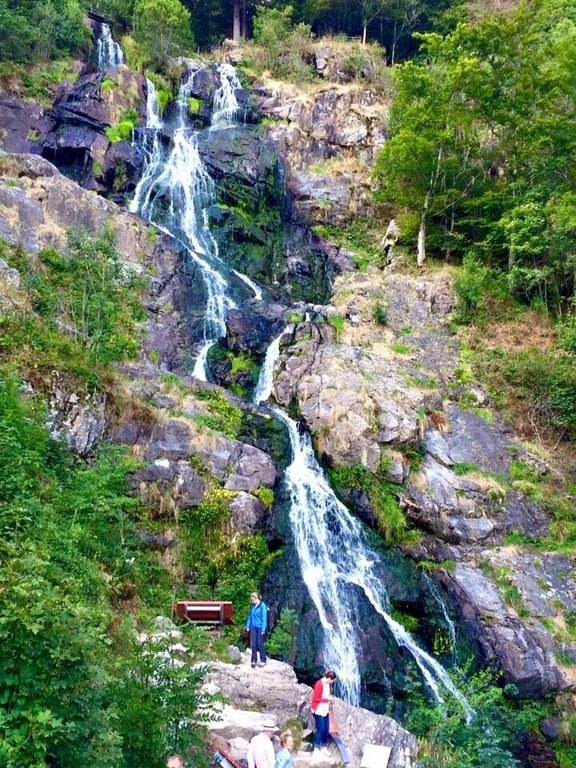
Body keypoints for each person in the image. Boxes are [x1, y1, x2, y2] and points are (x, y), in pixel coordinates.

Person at [310, 670, 336, 760]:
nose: (333, 682)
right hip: (318, 710)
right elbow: (316, 698)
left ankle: (324, 747)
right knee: (320, 729)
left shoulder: (327, 684)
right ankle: (316, 749)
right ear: (329, 678)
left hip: (325, 709)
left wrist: (329, 699)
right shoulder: (319, 683)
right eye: (332, 680)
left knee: (326, 729)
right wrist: (328, 700)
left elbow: (326, 695)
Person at [246, 592, 268, 668]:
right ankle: (253, 660)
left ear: (257, 598)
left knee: (260, 644)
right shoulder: (252, 606)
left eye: (253, 600)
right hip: (253, 627)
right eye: (251, 600)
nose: (252, 602)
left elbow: (264, 618)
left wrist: (263, 629)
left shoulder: (262, 606)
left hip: (260, 627)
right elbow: (250, 616)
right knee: (253, 644)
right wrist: (248, 626)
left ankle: (263, 660)